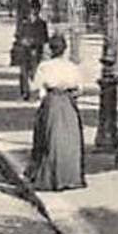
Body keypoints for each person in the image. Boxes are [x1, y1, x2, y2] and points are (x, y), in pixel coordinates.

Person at [25, 32, 86, 190]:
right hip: (68, 104)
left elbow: (35, 87)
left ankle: (50, 177)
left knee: (46, 138)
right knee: (71, 139)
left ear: (51, 49)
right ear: (64, 49)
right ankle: (71, 177)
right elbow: (80, 89)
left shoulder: (45, 67)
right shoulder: (72, 67)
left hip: (51, 103)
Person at [16, 0, 50, 101]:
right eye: (33, 8)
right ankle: (25, 93)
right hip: (24, 51)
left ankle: (35, 92)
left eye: (36, 9)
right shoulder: (24, 22)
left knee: (35, 73)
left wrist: (36, 43)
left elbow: (45, 38)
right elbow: (18, 35)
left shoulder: (42, 24)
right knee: (23, 72)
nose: (34, 11)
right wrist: (23, 41)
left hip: (36, 51)